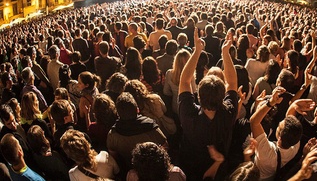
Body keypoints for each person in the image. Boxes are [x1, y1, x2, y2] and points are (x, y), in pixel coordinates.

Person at [178, 30, 238, 180]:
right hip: (217, 172)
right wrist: (225, 53)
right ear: (223, 96)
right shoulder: (228, 113)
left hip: (189, 168)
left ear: (198, 95)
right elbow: (232, 82)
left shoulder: (189, 116)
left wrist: (197, 51)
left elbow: (184, 80)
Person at [249, 87, 303, 180]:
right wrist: (294, 105)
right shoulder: (295, 146)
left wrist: (270, 103)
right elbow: (289, 118)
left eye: (279, 126)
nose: (278, 123)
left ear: (280, 138)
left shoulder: (267, 151)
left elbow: (254, 122)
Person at [107, 92, 167, 174]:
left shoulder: (113, 134)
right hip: (153, 170)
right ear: (137, 109)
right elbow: (165, 145)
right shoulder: (150, 126)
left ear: (118, 113)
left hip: (129, 169)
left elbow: (113, 155)